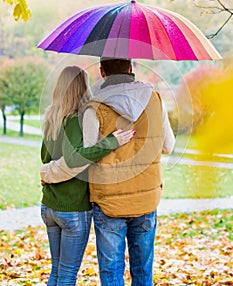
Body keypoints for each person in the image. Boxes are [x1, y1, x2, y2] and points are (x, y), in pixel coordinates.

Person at [41, 58, 175, 286]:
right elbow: (168, 146)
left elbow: (81, 160)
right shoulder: (156, 100)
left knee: (112, 273)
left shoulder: (94, 109)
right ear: (132, 68)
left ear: (102, 72)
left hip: (108, 203)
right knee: (143, 272)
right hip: (146, 200)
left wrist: (48, 173)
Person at [40, 65, 135, 286]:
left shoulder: (50, 119)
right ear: (83, 88)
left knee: (56, 271)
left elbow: (46, 160)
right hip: (72, 209)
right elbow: (76, 159)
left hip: (49, 206)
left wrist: (47, 174)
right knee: (67, 275)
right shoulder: (75, 120)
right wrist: (111, 142)